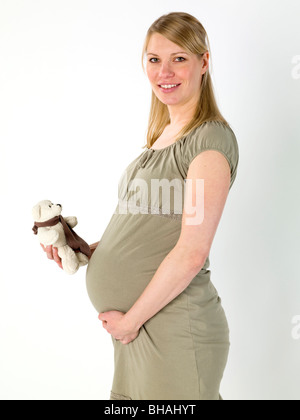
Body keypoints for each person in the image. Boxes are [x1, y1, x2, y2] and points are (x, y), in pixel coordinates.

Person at [42, 12, 239, 400]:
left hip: (173, 330)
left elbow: (191, 252)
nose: (164, 71)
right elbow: (151, 231)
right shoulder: (162, 136)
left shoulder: (208, 143)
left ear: (204, 62)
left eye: (179, 58)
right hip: (139, 330)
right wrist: (85, 248)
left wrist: (130, 322)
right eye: (153, 59)